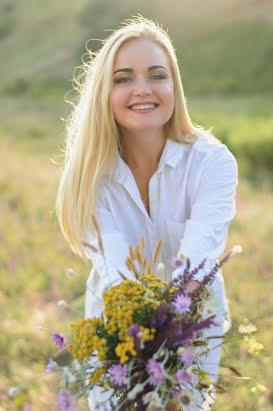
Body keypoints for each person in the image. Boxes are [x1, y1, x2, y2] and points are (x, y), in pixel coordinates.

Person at [56, 16, 238, 411]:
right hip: (118, 323)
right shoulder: (91, 175)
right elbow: (118, 273)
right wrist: (140, 354)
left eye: (157, 75)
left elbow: (196, 264)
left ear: (175, 87)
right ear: (105, 91)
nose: (142, 89)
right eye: (123, 78)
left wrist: (171, 344)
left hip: (193, 319)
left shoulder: (212, 163)